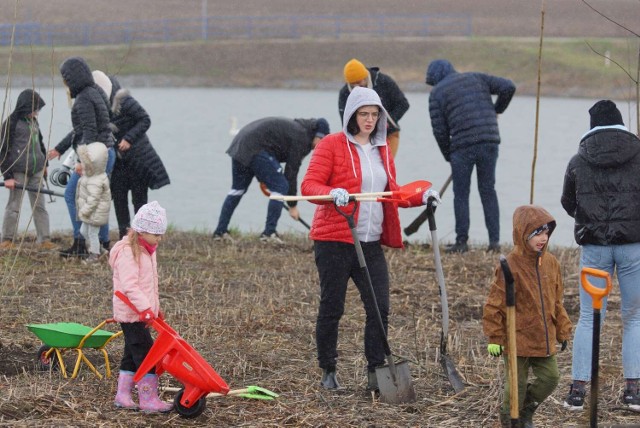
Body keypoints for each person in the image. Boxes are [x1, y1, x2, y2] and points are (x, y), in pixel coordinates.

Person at [301, 86, 439, 392]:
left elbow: (393, 192)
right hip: (334, 240)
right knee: (332, 306)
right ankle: (328, 369)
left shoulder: (382, 150)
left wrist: (423, 195)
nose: (369, 120)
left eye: (374, 114)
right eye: (363, 114)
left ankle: (376, 372)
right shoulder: (331, 145)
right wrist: (330, 194)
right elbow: (309, 185)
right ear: (351, 115)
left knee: (380, 307)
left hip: (370, 241)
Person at [560, 99, 640, 412]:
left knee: (590, 318)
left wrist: (591, 219)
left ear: (593, 126)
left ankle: (577, 390)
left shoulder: (578, 159)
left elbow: (568, 202)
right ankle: (633, 390)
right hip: (633, 244)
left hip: (594, 246)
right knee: (634, 317)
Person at [483, 205, 572, 427]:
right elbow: (495, 303)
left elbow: (557, 301)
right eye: (537, 234)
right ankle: (509, 420)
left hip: (542, 337)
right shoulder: (510, 264)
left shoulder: (551, 263)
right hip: (517, 339)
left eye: (546, 233)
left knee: (551, 378)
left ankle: (526, 410)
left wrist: (562, 330)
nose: (543, 239)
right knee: (515, 387)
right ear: (523, 234)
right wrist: (495, 337)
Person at [426, 59, 515, 254]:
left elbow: (439, 130)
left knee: (461, 194)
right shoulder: (476, 77)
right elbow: (509, 86)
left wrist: (449, 155)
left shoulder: (436, 93)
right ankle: (494, 243)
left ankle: (461, 242)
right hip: (489, 140)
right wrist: (496, 109)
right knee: (488, 190)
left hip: (462, 147)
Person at [213, 116, 330, 244]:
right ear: (317, 135)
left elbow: (273, 151)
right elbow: (291, 173)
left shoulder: (299, 130)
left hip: (240, 145)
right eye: (322, 141)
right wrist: (292, 205)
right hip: (254, 148)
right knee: (280, 187)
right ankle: (269, 234)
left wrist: (264, 177)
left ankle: (220, 232)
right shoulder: (301, 138)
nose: (321, 146)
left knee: (237, 190)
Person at [47, 57, 115, 257]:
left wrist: (81, 161)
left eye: (65, 77)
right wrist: (60, 149)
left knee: (72, 195)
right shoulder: (96, 92)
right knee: (99, 197)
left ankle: (80, 243)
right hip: (106, 152)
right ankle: (101, 242)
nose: (64, 82)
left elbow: (89, 131)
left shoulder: (84, 98)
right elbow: (82, 130)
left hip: (94, 156)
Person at [92, 70, 170, 239]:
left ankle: (141, 236)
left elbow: (145, 119)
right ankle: (124, 237)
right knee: (119, 200)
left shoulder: (124, 100)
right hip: (119, 162)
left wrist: (129, 138)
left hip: (137, 160)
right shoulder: (100, 105)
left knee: (139, 201)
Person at [110, 201, 172, 413]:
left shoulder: (148, 249)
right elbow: (130, 286)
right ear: (142, 231)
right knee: (146, 355)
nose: (160, 239)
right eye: (157, 234)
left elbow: (149, 285)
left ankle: (123, 396)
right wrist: (145, 309)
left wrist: (154, 308)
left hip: (142, 313)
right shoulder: (129, 252)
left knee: (131, 354)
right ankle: (148, 399)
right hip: (131, 314)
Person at [0, 89, 56, 250]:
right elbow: (3, 151)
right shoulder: (10, 123)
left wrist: (45, 164)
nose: (37, 112)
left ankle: (44, 239)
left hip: (37, 170)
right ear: (26, 106)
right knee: (14, 205)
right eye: (35, 109)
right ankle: (7, 239)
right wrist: (7, 176)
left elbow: (40, 143)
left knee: (40, 205)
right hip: (18, 171)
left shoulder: (34, 122)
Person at [338, 58, 409, 158]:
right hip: (362, 138)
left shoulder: (383, 81)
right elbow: (345, 121)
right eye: (354, 84)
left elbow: (403, 104)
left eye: (360, 81)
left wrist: (386, 122)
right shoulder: (345, 93)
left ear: (365, 76)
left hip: (389, 134)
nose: (358, 86)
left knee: (386, 167)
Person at [76, 143, 112, 263]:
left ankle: (94, 255)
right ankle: (101, 250)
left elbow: (93, 200)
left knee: (92, 233)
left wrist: (84, 211)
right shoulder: (91, 176)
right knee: (83, 231)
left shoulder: (96, 180)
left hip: (94, 213)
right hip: (91, 213)